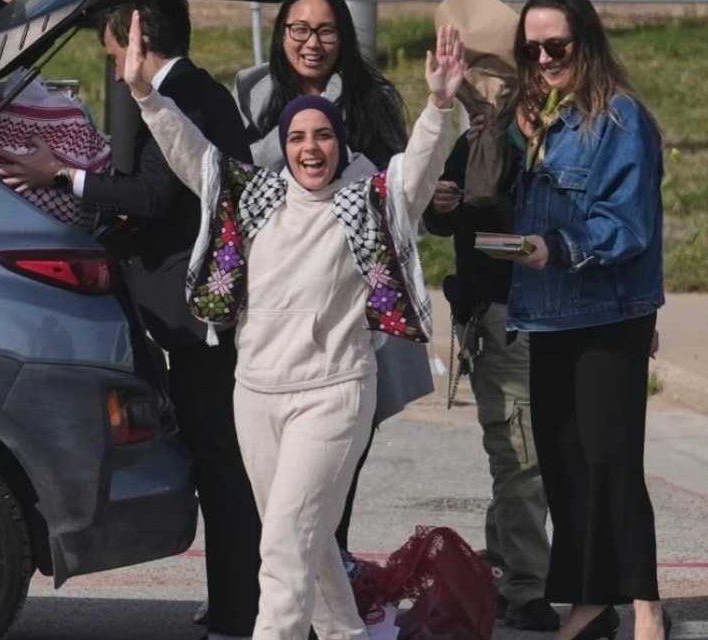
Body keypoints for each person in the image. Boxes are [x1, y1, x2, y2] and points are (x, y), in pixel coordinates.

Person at [124, 10, 468, 638]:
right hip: (256, 396)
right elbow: (193, 158)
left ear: (341, 145)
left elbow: (416, 173)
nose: (311, 148)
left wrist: (440, 107)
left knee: (282, 551)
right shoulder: (255, 198)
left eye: (324, 137)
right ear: (283, 149)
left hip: (332, 396)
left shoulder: (366, 202)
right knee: (306, 549)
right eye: (298, 138)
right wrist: (146, 95)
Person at [0, 3, 262, 639]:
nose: (115, 70)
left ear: (137, 41)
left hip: (197, 318)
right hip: (187, 312)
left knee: (221, 465)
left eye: (115, 55)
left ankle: (238, 612)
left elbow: (152, 196)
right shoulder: (194, 90)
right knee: (215, 462)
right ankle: (232, 603)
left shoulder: (183, 97)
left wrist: (61, 173)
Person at [232, 0, 435, 556]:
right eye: (299, 29)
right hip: (272, 322)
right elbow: (231, 180)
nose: (311, 42)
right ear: (281, 34)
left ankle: (319, 591)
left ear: (343, 36)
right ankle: (297, 598)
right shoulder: (250, 92)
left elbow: (402, 191)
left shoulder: (373, 99)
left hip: (347, 325)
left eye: (325, 30)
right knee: (276, 492)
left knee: (327, 486)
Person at [505, 0, 670, 639]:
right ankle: (589, 597)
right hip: (548, 314)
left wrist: (561, 247)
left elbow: (628, 224)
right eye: (532, 50)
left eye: (558, 47)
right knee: (564, 462)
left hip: (607, 311)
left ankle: (647, 604)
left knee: (611, 461)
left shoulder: (620, 118)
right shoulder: (540, 119)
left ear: (588, 44)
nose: (544, 60)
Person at [423, 133, 558, 631]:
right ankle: (526, 586)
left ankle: (503, 562)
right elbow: (456, 229)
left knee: (546, 455)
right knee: (520, 455)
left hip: (575, 315)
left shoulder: (586, 130)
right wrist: (440, 205)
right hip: (504, 317)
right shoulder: (483, 140)